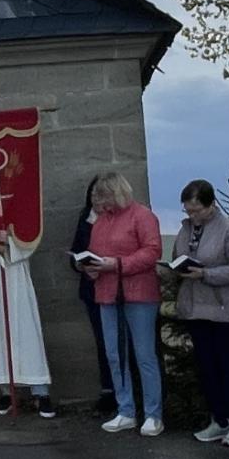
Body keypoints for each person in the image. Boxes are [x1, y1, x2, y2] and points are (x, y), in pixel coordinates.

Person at [81, 171, 163, 436]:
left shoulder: (143, 216)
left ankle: (153, 414)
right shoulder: (101, 222)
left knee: (144, 355)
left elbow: (152, 252)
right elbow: (95, 253)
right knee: (115, 356)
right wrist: (90, 267)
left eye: (103, 197)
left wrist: (117, 264)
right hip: (107, 293)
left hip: (139, 294)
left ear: (115, 193)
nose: (100, 204)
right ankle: (125, 409)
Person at [171, 179, 229, 447]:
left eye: (196, 210)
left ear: (211, 205)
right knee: (207, 369)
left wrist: (205, 273)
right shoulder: (185, 229)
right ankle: (219, 420)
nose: (192, 216)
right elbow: (178, 256)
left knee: (228, 367)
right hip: (195, 307)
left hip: (223, 308)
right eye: (188, 211)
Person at [0, 221, 54, 420]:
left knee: (26, 331)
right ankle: (7, 392)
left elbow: (30, 232)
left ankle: (40, 392)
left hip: (14, 269)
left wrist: (9, 244)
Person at [68, 177, 118, 415]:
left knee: (121, 342)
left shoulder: (121, 218)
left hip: (116, 287)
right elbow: (76, 251)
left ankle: (126, 393)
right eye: (93, 196)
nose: (96, 201)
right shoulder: (85, 219)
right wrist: (80, 265)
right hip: (92, 288)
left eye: (100, 196)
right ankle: (108, 391)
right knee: (103, 342)